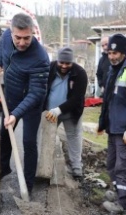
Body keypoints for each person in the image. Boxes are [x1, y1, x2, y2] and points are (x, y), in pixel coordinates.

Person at [0, 13, 50, 194]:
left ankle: (28, 185)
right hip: (10, 97)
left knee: (29, 142)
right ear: (11, 31)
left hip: (31, 104)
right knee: (5, 135)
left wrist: (16, 114)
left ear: (33, 33)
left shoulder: (40, 57)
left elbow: (36, 93)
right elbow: (2, 46)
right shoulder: (7, 36)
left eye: (27, 38)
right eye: (18, 37)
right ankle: (3, 169)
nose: (22, 42)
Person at [96, 34, 126, 213]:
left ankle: (124, 203)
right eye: (109, 52)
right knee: (111, 163)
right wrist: (102, 123)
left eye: (115, 53)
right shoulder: (112, 69)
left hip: (125, 130)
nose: (112, 56)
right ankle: (119, 192)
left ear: (123, 52)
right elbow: (108, 99)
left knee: (124, 166)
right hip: (113, 127)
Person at [44, 47, 88, 178]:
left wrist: (59, 110)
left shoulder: (80, 73)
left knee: (74, 137)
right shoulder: (49, 69)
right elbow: (42, 89)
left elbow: (77, 98)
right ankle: (45, 165)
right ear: (57, 60)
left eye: (67, 63)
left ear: (72, 62)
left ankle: (76, 167)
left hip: (71, 112)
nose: (63, 66)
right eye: (61, 62)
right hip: (50, 113)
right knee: (46, 138)